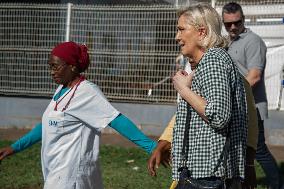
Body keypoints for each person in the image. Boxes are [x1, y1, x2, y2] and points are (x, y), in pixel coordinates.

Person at [0, 41, 157, 189]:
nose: (51, 72)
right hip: (56, 172)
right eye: (50, 67)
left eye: (55, 67)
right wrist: (14, 147)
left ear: (72, 66)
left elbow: (116, 120)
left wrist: (153, 148)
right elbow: (48, 124)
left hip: (72, 176)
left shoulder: (86, 92)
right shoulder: (61, 89)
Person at [151, 4, 248, 188]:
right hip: (203, 174)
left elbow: (219, 116)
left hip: (208, 177)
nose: (176, 37)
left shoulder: (214, 60)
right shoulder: (206, 63)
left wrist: (184, 90)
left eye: (181, 30)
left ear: (202, 32)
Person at [222, 2, 283, 189]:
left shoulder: (253, 41)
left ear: (244, 20)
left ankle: (278, 184)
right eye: (228, 24)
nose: (233, 27)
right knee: (237, 150)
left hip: (251, 107)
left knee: (258, 151)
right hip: (235, 106)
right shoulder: (228, 42)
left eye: (237, 23)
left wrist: (230, 95)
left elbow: (254, 76)